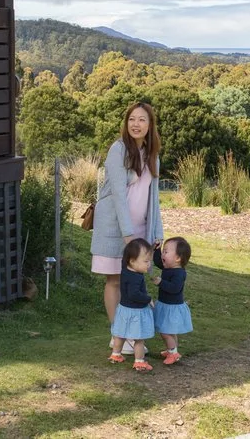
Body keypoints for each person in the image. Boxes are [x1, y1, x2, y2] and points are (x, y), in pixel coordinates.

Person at [90, 101, 163, 356]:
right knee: (114, 280)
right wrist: (127, 234)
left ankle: (131, 333)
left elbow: (154, 198)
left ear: (150, 125)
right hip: (115, 227)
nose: (136, 124)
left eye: (142, 119)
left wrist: (157, 232)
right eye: (132, 119)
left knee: (134, 281)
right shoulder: (118, 150)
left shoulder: (152, 154)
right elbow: (119, 197)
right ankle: (118, 335)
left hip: (140, 228)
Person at [109, 238, 156, 371]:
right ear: (132, 261)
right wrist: (148, 299)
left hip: (123, 309)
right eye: (146, 261)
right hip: (136, 312)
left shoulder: (125, 271)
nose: (149, 264)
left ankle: (116, 354)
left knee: (121, 334)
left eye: (149, 261)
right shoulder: (137, 277)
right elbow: (134, 294)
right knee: (139, 338)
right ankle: (139, 361)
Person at [152, 236, 193, 365]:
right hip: (165, 305)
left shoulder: (179, 273)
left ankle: (173, 353)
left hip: (172, 307)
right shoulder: (168, 267)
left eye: (166, 252)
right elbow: (158, 262)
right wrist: (157, 250)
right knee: (170, 331)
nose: (163, 254)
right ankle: (172, 350)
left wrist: (161, 283)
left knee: (165, 332)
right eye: (163, 251)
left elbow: (175, 288)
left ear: (178, 258)